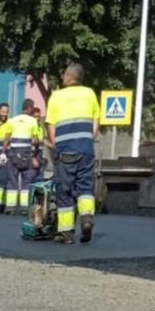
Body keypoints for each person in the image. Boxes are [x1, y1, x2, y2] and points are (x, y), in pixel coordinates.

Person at [45, 63, 100, 245]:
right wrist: (87, 141)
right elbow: (95, 124)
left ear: (68, 77)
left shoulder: (57, 96)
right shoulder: (90, 94)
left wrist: (55, 146)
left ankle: (66, 233)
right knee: (85, 187)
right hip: (85, 149)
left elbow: (51, 126)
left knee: (65, 190)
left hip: (65, 150)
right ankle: (86, 219)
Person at [2, 99, 43, 216]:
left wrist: (3, 153)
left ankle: (10, 207)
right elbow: (35, 141)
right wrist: (35, 155)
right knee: (26, 182)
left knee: (12, 180)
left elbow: (7, 138)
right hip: (27, 155)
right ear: (30, 108)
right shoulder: (32, 121)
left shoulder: (12, 120)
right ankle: (25, 208)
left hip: (13, 154)